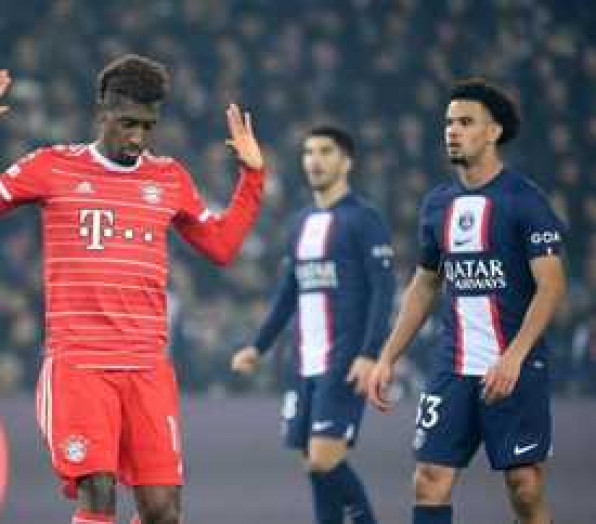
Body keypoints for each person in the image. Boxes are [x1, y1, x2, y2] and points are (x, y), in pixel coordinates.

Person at [0, 54, 266, 524]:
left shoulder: (169, 177)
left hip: (147, 367)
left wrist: (252, 178)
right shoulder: (52, 166)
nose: (138, 138)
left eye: (148, 126)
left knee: (163, 512)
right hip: (81, 365)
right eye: (127, 123)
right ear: (102, 112)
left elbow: (221, 245)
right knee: (99, 491)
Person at [365, 78, 567, 524]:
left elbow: (552, 286)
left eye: (465, 122)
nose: (452, 131)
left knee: (525, 485)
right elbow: (424, 285)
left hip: (514, 365)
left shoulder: (525, 200)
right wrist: (387, 357)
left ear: (493, 132)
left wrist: (513, 357)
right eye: (449, 123)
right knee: (429, 479)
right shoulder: (438, 205)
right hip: (453, 366)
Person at [232, 126, 395, 524]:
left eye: (325, 151)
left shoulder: (364, 219)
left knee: (324, 459)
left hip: (344, 361)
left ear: (346, 162)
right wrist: (258, 346)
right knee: (314, 466)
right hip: (303, 363)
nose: (315, 161)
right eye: (308, 152)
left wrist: (370, 354)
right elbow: (287, 292)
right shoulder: (300, 223)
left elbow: (384, 290)